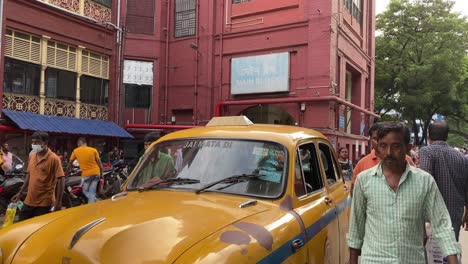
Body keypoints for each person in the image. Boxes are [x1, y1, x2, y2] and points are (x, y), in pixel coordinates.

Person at [347, 122, 460, 264]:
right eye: (383, 146)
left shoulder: (425, 181)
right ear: (377, 149)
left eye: (396, 146)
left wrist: (453, 260)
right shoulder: (364, 181)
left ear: (407, 148)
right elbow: (356, 228)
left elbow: (442, 224)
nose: (388, 152)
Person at [419, 121, 468, 241]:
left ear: (428, 135)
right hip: (455, 212)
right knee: (451, 248)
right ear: (446, 136)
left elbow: (425, 181)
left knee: (431, 254)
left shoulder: (426, 152)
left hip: (432, 214)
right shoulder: (461, 156)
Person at [11, 131, 65, 221]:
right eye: (33, 142)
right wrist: (20, 192)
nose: (34, 144)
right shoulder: (32, 156)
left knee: (40, 229)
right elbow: (29, 175)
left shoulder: (54, 158)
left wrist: (58, 202)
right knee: (23, 223)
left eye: (37, 142)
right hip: (29, 200)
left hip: (45, 203)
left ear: (45, 142)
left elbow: (61, 179)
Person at [65, 137, 103, 203]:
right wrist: (101, 172)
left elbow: (70, 163)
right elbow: (99, 162)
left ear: (79, 143)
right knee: (91, 190)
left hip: (86, 175)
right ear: (86, 143)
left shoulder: (75, 151)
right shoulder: (93, 150)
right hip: (96, 173)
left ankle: (95, 204)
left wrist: (66, 174)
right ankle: (95, 201)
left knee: (86, 191)